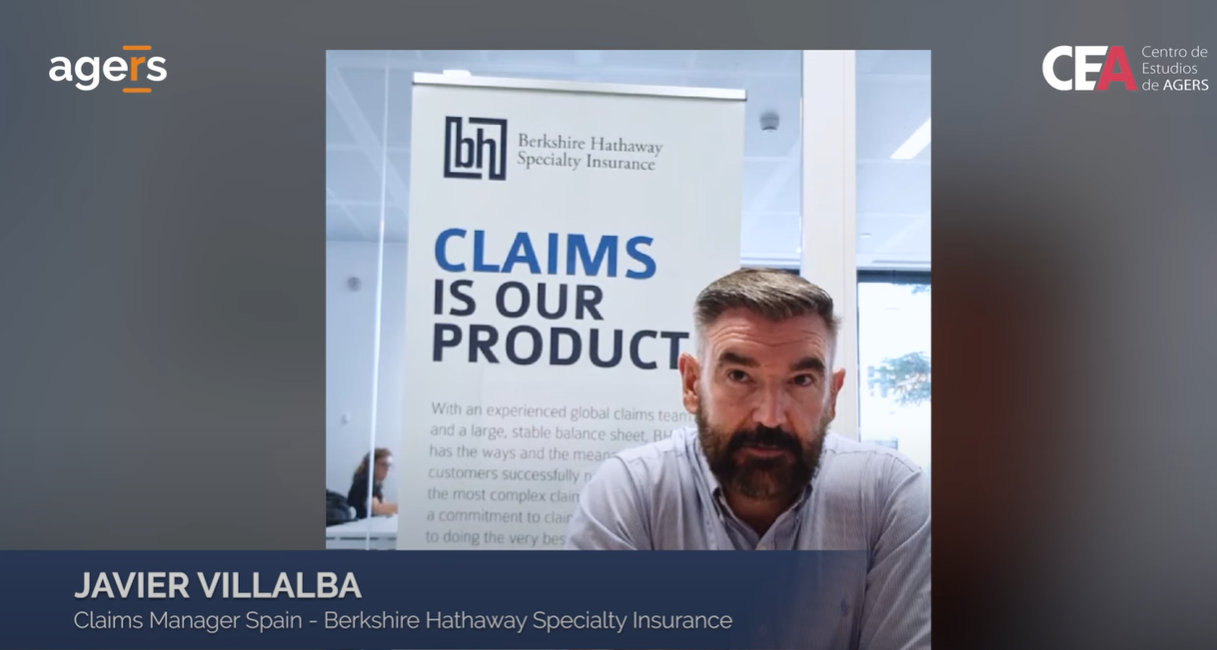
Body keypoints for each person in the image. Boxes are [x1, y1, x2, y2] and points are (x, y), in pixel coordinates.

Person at [565, 268, 930, 649]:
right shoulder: (631, 492)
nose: (769, 416)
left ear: (832, 395)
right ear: (692, 384)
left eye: (801, 380)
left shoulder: (888, 495)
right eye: (739, 376)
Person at [347, 448, 398, 519]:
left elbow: (384, 505)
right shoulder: (365, 481)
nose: (387, 469)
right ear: (371, 465)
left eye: (389, 465)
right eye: (384, 464)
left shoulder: (377, 484)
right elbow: (376, 509)